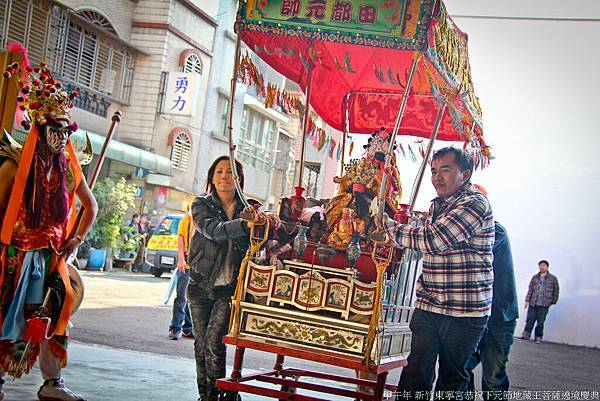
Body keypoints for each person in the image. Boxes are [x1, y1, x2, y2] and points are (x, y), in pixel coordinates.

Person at [0, 57, 98, 401]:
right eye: (51, 129)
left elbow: (91, 206)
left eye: (62, 129)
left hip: (52, 257)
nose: (57, 137)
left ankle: (51, 383)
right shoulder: (14, 167)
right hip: (13, 256)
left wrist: (76, 238)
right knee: (5, 314)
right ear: (39, 130)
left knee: (53, 314)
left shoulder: (70, 172)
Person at [377, 147, 494, 395]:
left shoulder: (474, 203)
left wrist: (386, 226)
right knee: (415, 373)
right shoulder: (437, 207)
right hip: (430, 305)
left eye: (445, 170)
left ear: (465, 174)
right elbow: (420, 246)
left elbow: (434, 240)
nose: (437, 177)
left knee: (452, 380)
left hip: (464, 311)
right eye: (433, 171)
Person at [187, 155, 252, 401]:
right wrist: (244, 227)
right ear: (212, 178)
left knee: (215, 343)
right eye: (219, 172)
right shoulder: (201, 204)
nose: (224, 176)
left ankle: (221, 394)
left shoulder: (249, 209)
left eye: (230, 172)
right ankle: (206, 396)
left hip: (229, 289)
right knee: (200, 345)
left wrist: (266, 225)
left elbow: (260, 242)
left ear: (239, 179)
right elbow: (213, 231)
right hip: (200, 285)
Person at [465, 221, 519, 398]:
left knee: (493, 378)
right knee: (461, 369)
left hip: (500, 317)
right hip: (473, 316)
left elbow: (473, 250)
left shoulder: (496, 230)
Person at [168, 206, 194, 340]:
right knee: (182, 297)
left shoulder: (208, 221)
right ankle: (175, 327)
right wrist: (181, 259)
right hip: (187, 264)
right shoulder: (188, 219)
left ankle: (188, 328)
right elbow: (181, 238)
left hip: (200, 266)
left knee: (194, 299)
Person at [521, 260, 559, 344]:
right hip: (533, 302)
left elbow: (556, 291)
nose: (542, 267)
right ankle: (526, 335)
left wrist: (552, 301)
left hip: (544, 304)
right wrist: (527, 300)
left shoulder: (553, 278)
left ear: (547, 267)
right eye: (540, 265)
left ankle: (538, 337)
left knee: (540, 321)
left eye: (543, 265)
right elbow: (530, 289)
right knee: (530, 319)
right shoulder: (535, 277)